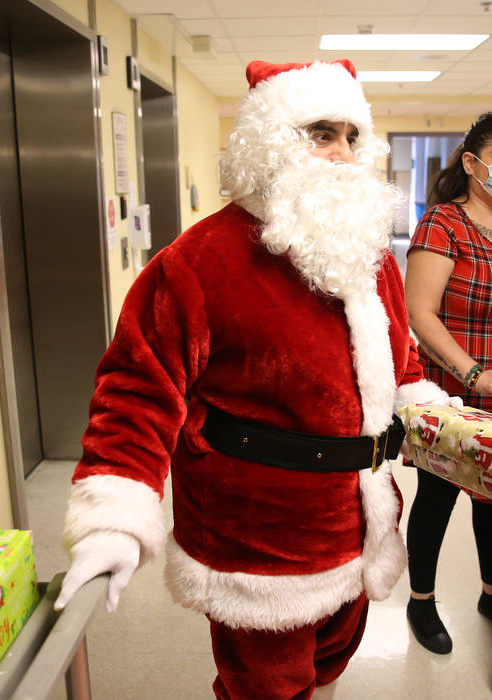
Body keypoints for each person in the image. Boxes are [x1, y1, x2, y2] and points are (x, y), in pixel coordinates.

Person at [55, 59, 450, 699]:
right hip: (256, 541)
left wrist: (428, 405)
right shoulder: (198, 263)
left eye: (353, 136)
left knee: (328, 666)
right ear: (274, 140)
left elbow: (396, 355)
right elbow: (137, 392)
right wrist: (115, 518)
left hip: (360, 521)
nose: (343, 153)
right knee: (266, 688)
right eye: (322, 133)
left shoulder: (370, 257)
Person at [402, 112, 492, 655]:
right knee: (438, 496)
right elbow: (418, 312)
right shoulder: (443, 224)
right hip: (453, 388)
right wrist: (473, 372)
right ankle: (421, 601)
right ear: (471, 163)